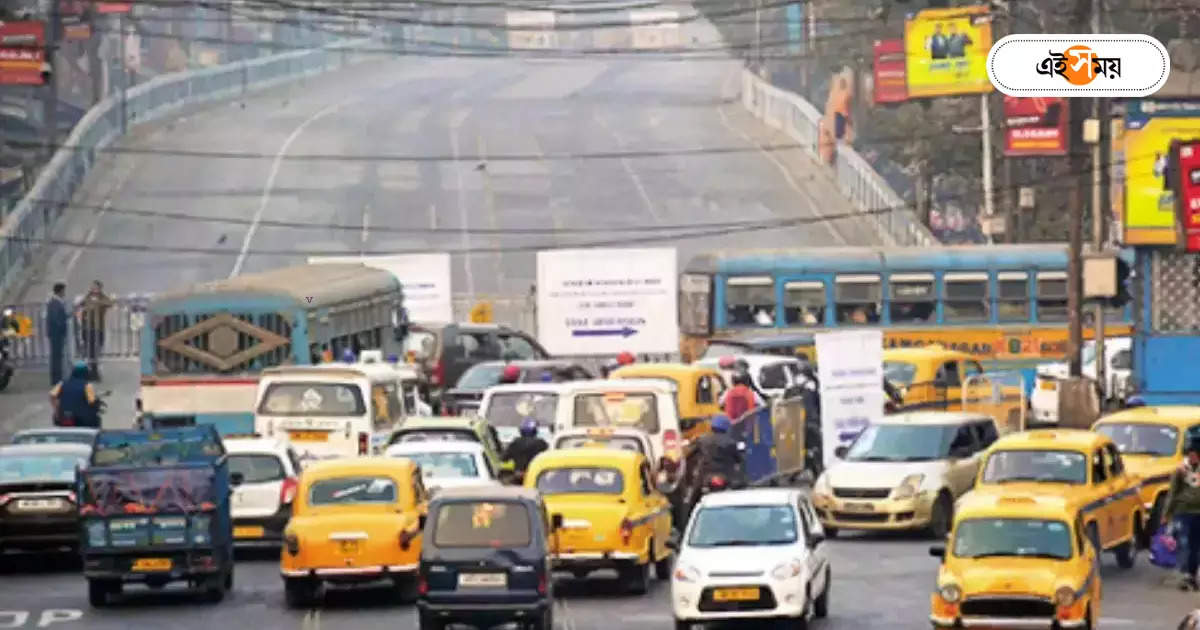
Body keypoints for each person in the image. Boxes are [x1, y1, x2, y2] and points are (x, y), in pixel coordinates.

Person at [1163, 439, 1200, 591]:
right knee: (1184, 544)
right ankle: (1184, 575)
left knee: (1196, 546)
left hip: (1198, 514)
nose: (1191, 458)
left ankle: (1191, 575)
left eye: (1194, 455)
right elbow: (1172, 493)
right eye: (1190, 455)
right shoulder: (1180, 470)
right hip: (1183, 512)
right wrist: (1166, 513)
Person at [694, 414, 745, 489]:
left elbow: (697, 454)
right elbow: (738, 458)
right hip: (726, 475)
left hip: (707, 476)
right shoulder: (731, 442)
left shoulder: (703, 440)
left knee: (696, 492)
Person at [77, 280, 113, 381]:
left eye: (95, 287)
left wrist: (97, 302)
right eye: (92, 287)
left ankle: (95, 373)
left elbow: (110, 303)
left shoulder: (102, 297)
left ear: (100, 289)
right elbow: (79, 304)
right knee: (89, 352)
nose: (93, 289)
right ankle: (92, 373)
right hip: (87, 329)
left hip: (98, 329)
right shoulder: (87, 297)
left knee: (96, 352)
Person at [50, 361, 102, 428]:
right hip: (82, 419)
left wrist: (56, 411)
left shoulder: (62, 383)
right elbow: (92, 401)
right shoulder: (87, 385)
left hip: (65, 416)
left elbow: (52, 395)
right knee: (95, 419)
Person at [45, 283, 69, 387]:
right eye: (64, 290)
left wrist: (69, 315)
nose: (65, 293)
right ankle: (56, 379)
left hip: (56, 333)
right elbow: (55, 319)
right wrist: (61, 328)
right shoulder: (55, 303)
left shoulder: (56, 302)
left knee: (57, 356)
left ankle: (57, 378)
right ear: (60, 291)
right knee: (56, 357)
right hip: (56, 334)